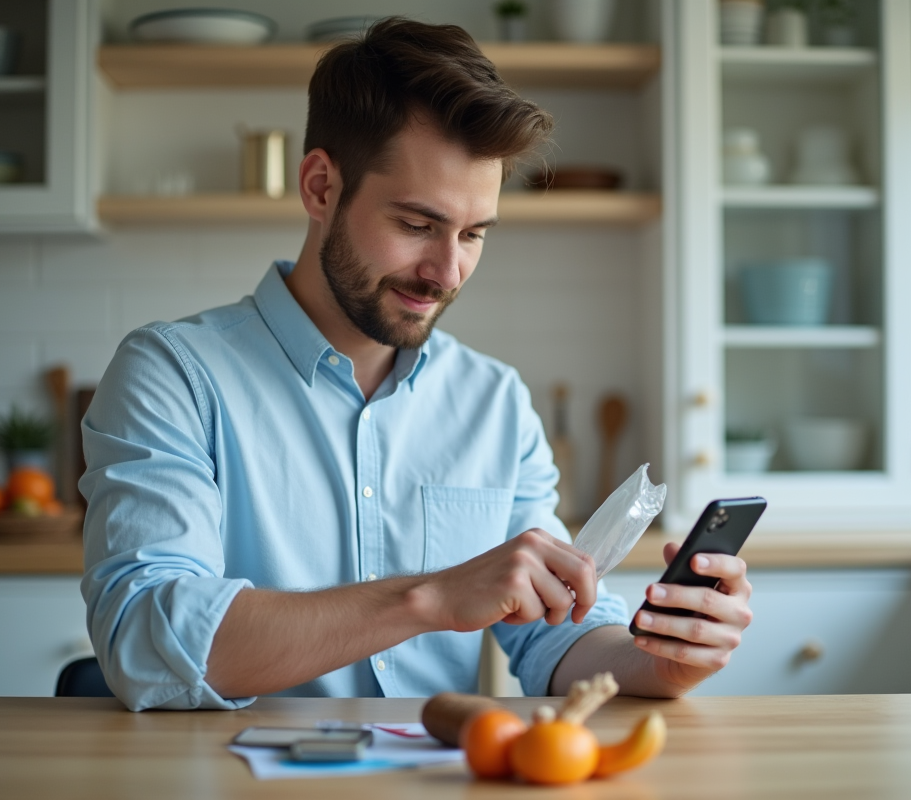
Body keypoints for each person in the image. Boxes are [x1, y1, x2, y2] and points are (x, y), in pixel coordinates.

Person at [80, 17, 752, 712]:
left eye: (473, 234)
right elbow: (144, 639)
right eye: (417, 225)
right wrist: (430, 598)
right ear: (319, 187)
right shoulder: (172, 374)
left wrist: (662, 662)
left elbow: (555, 637)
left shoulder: (493, 401)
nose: (447, 271)